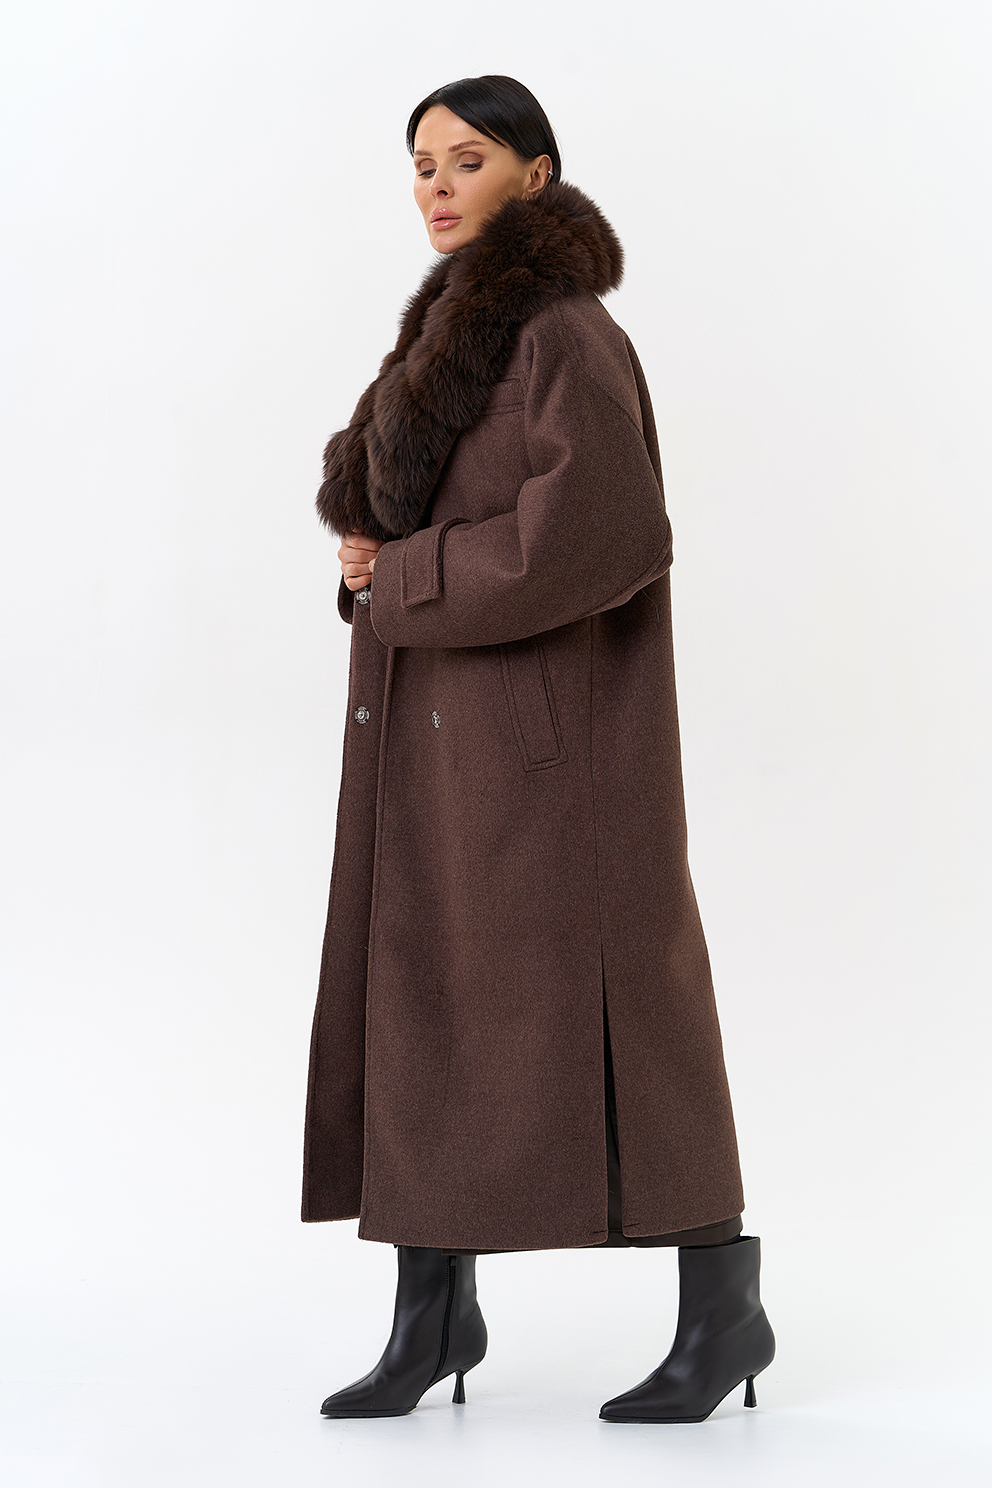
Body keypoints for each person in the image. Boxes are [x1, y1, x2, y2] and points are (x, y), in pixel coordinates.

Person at [302, 74, 774, 1423]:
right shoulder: (450, 334)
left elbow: (606, 534)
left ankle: (723, 1315)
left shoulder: (563, 332)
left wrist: (403, 576)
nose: (436, 185)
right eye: (421, 163)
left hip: (556, 762)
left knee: (632, 1021)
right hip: (441, 747)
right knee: (427, 1006)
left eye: (468, 159)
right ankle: (433, 1315)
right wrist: (371, 567)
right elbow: (410, 525)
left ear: (538, 174)